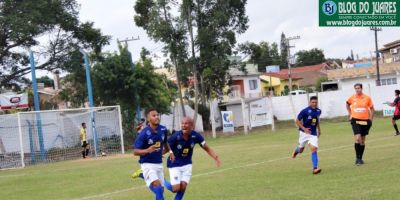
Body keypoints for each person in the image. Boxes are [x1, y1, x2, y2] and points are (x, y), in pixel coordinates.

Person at [164, 117, 221, 200]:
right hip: (174, 164)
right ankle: (161, 178)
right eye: (182, 123)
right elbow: (166, 148)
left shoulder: (196, 136)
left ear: (192, 125)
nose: (183, 125)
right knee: (175, 189)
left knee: (183, 187)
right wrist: (157, 155)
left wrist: (215, 157)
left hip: (187, 164)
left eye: (186, 123)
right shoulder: (175, 136)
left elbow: (206, 148)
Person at [133, 108, 169, 200]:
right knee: (157, 186)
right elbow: (135, 151)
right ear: (148, 119)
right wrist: (148, 150)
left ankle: (142, 175)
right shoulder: (144, 133)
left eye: (157, 115)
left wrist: (165, 152)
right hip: (147, 164)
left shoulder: (163, 129)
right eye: (154, 115)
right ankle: (143, 174)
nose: (157, 117)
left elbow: (166, 144)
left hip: (159, 163)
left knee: (160, 190)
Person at [291, 96, 322, 174]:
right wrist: (304, 128)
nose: (314, 104)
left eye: (316, 102)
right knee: (301, 150)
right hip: (304, 133)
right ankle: (296, 151)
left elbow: (317, 120)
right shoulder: (305, 111)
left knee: (314, 149)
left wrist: (319, 129)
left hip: (313, 133)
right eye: (313, 102)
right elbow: (297, 121)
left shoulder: (318, 111)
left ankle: (315, 168)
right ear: (309, 102)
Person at [346, 83, 374, 166]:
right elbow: (347, 104)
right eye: (356, 88)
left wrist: (371, 119)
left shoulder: (367, 98)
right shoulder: (352, 98)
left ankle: (360, 158)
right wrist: (350, 114)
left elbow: (372, 108)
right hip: (355, 120)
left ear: (362, 88)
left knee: (362, 141)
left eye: (358, 88)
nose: (357, 90)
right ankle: (357, 158)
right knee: (358, 138)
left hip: (365, 121)